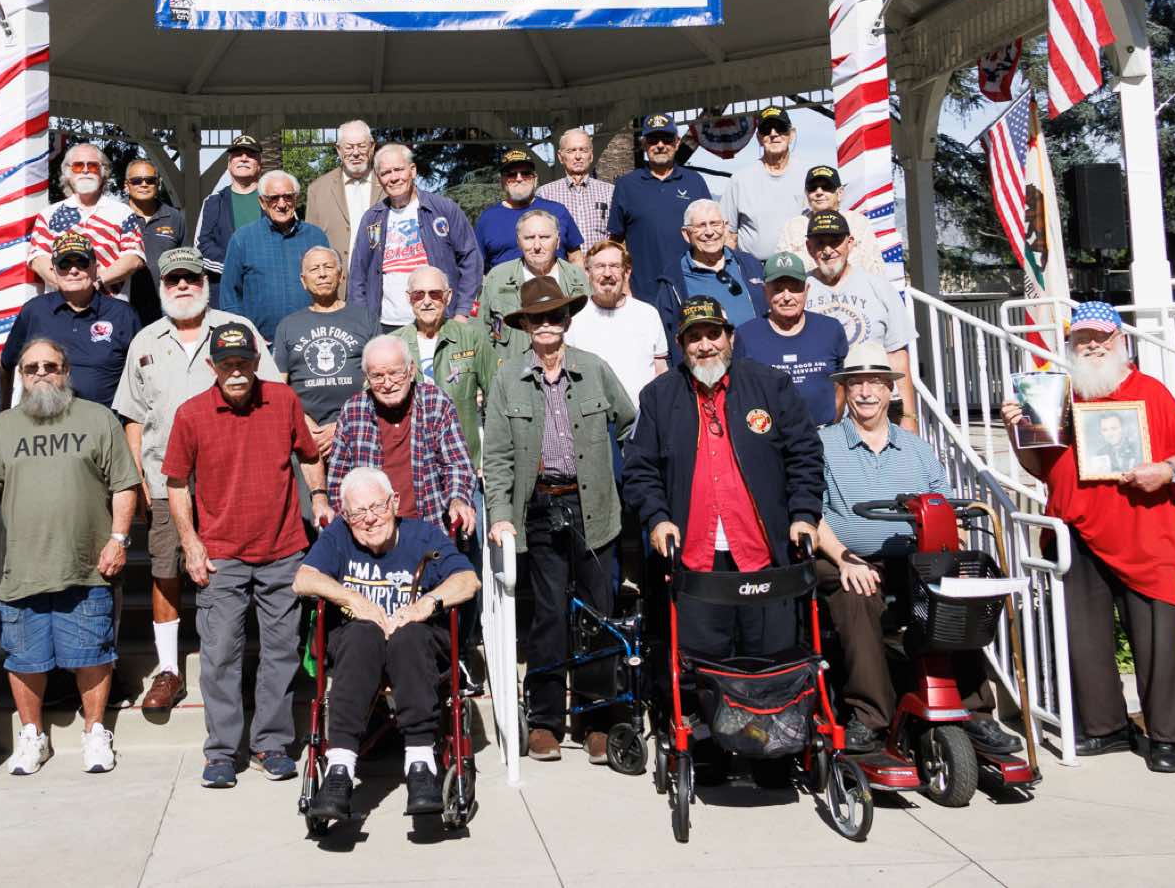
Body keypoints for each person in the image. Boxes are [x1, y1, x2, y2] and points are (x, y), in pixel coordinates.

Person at [1004, 301, 1175, 774]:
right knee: (1085, 640)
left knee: (1157, 639)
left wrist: (1166, 470)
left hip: (1144, 533)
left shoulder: (1151, 392)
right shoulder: (1056, 396)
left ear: (1120, 342)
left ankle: (1165, 736)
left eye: (1101, 338)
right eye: (1082, 340)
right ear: (1070, 346)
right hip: (1076, 531)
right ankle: (1106, 727)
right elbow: (1040, 467)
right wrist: (1017, 431)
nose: (1092, 346)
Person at [809, 343, 1022, 757]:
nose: (866, 392)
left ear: (890, 390)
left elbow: (946, 505)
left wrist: (954, 546)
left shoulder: (916, 448)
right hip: (848, 558)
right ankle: (870, 716)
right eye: (857, 383)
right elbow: (810, 513)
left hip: (914, 558)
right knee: (857, 591)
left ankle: (976, 712)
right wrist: (844, 557)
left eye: (875, 382)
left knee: (957, 591)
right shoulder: (823, 444)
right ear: (845, 390)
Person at [113, 247, 286, 713]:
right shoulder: (145, 341)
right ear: (163, 287)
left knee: (237, 572)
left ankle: (237, 663)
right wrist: (138, 478)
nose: (183, 286)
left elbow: (273, 394)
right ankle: (170, 669)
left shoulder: (237, 329)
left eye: (191, 278)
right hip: (165, 480)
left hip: (231, 481)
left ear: (205, 284)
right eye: (174, 280)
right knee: (165, 570)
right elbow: (133, 418)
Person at [0, 340, 142, 777]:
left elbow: (124, 484)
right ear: (21, 377)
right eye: (31, 368)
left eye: (51, 366)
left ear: (66, 371)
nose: (41, 373)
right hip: (23, 568)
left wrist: (119, 539)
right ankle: (32, 736)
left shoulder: (97, 418)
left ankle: (95, 732)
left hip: (86, 566)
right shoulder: (5, 426)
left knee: (92, 653)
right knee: (24, 659)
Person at [163, 322, 327, 789]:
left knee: (281, 652)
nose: (236, 373)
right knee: (219, 656)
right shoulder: (191, 414)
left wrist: (318, 496)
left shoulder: (283, 400)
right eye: (226, 364)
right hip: (220, 555)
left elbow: (309, 454)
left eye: (243, 363)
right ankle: (221, 752)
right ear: (212, 366)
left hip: (283, 550)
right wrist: (191, 542)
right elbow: (177, 483)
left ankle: (270, 744)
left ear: (257, 363)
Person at [481, 276, 638, 762]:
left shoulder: (594, 368)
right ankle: (545, 720)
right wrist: (500, 514)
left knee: (597, 612)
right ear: (525, 325)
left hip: (596, 509)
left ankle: (596, 719)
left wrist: (630, 483)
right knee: (548, 614)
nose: (546, 324)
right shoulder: (508, 378)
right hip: (541, 508)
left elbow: (630, 424)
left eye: (554, 315)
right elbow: (498, 456)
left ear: (567, 319)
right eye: (537, 318)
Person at [621, 297, 825, 665]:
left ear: (730, 337)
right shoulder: (658, 397)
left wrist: (804, 514)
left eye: (713, 334)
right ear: (680, 345)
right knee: (702, 669)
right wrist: (658, 518)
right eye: (694, 337)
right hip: (694, 559)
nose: (705, 345)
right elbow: (640, 469)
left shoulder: (771, 385)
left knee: (772, 664)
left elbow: (805, 455)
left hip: (765, 554)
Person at [295, 467, 481, 821]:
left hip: (414, 649)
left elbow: (468, 580)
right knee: (363, 632)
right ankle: (339, 770)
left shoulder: (423, 536)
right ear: (345, 516)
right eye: (358, 513)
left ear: (394, 502)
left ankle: (421, 765)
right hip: (357, 650)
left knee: (408, 634)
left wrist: (424, 605)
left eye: (377, 507)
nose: (369, 519)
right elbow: (303, 579)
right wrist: (353, 600)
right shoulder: (338, 537)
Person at [327, 334, 478, 539]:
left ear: (411, 370)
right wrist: (350, 528)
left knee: (441, 557)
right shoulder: (353, 410)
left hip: (429, 529)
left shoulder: (435, 402)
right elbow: (338, 479)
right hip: (371, 533)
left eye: (395, 373)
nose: (388, 383)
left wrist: (457, 500)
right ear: (367, 378)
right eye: (377, 376)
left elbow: (457, 465)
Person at [349, 143, 483, 328]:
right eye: (386, 173)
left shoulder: (443, 209)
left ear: (412, 171)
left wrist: (463, 312)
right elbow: (358, 275)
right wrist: (361, 321)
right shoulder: (372, 219)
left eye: (398, 170)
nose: (393, 178)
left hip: (440, 321)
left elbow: (471, 260)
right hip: (386, 324)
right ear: (378, 179)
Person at [1, 231, 140, 409]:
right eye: (64, 264)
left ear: (95, 268)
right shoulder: (34, 311)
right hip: (44, 421)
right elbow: (6, 364)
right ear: (54, 271)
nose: (73, 270)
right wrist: (4, 411)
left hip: (103, 423)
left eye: (82, 263)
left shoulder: (123, 314)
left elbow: (141, 374)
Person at [803, 211, 915, 426]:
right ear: (809, 247)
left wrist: (909, 419)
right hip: (816, 416)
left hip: (872, 412)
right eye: (820, 243)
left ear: (850, 243)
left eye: (835, 241)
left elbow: (897, 357)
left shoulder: (880, 288)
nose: (828, 250)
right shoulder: (798, 291)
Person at [272, 247, 380, 450]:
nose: (322, 274)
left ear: (340, 275)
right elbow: (277, 388)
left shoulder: (366, 319)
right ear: (303, 280)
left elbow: (380, 380)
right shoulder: (287, 326)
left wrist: (344, 424)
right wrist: (303, 423)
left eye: (328, 267)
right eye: (314, 269)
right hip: (304, 430)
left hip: (359, 426)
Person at [604, 112, 711, 305]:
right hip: (643, 293)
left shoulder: (695, 182)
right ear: (644, 144)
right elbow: (615, 243)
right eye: (653, 140)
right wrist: (624, 284)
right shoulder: (626, 185)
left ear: (677, 142)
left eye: (667, 139)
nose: (660, 145)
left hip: (693, 286)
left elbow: (711, 233)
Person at [734, 251, 847, 428]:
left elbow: (841, 384)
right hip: (770, 437)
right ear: (765, 291)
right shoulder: (746, 335)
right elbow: (739, 392)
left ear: (806, 290)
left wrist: (834, 426)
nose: (787, 297)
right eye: (778, 289)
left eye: (794, 288)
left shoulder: (830, 330)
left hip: (825, 434)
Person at [219, 169, 332, 344]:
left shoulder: (316, 237)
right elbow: (230, 297)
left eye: (288, 197)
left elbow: (330, 287)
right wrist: (246, 336)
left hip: (312, 340)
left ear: (296, 199)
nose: (281, 204)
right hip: (260, 345)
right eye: (274, 198)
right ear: (262, 202)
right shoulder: (243, 239)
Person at [395, 264, 491, 462]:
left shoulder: (472, 338)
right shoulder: (393, 344)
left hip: (463, 458)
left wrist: (490, 457)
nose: (426, 302)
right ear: (408, 298)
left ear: (448, 296)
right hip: (412, 460)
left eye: (435, 294)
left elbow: (497, 397)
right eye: (418, 295)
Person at [655, 198, 766, 365]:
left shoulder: (749, 264)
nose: (709, 232)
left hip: (756, 366)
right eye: (701, 226)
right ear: (686, 234)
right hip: (705, 370)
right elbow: (668, 338)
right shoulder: (673, 281)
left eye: (715, 224)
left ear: (725, 227)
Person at [479, 208, 590, 368]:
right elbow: (480, 334)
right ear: (518, 242)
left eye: (544, 237)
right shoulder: (497, 278)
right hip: (513, 374)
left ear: (558, 241)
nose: (537, 246)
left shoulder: (577, 278)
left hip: (570, 371)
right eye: (529, 238)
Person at [34, 143, 145, 301]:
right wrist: (69, 287)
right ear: (67, 172)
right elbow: (38, 259)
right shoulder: (48, 214)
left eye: (92, 166)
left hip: (109, 307)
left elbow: (134, 258)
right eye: (78, 166)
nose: (85, 170)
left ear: (103, 171)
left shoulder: (123, 213)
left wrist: (96, 282)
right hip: (60, 306)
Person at [565, 240, 668, 410]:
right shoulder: (573, 319)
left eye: (614, 266)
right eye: (600, 266)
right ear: (587, 272)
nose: (607, 273)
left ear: (627, 272)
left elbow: (661, 370)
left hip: (643, 415)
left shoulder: (648, 315)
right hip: (594, 418)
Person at [719, 105, 808, 262]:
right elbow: (728, 234)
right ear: (759, 138)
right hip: (754, 270)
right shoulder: (739, 180)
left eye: (780, 128)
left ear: (792, 134)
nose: (773, 134)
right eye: (766, 129)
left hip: (800, 268)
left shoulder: (809, 176)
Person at [473, 147, 584, 272]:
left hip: (554, 284)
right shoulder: (488, 219)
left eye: (525, 174)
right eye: (511, 174)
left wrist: (580, 283)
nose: (519, 178)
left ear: (535, 179)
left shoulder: (558, 211)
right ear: (502, 181)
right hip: (504, 284)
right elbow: (477, 267)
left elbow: (576, 258)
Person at [774, 165, 887, 276]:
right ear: (807, 194)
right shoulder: (793, 227)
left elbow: (877, 271)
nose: (819, 192)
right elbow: (780, 270)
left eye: (826, 187)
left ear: (840, 193)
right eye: (812, 188)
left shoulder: (858, 223)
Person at [305, 119, 379, 272]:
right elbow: (311, 243)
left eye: (361, 146)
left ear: (372, 147)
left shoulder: (387, 184)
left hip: (381, 278)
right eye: (349, 147)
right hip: (337, 280)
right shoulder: (318, 190)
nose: (355, 153)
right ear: (339, 150)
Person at [122, 157, 188, 326]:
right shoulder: (116, 216)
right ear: (126, 185)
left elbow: (186, 261)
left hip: (165, 305)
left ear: (158, 184)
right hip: (123, 302)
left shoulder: (174, 217)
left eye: (150, 180)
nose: (144, 184)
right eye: (137, 181)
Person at [195, 132, 264, 277]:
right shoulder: (213, 202)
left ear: (259, 165)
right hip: (225, 284)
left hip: (266, 282)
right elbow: (202, 245)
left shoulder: (276, 201)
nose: (244, 158)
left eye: (250, 155)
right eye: (237, 154)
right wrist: (234, 265)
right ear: (229, 164)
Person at [538, 127, 614, 249]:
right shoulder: (545, 194)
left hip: (602, 261)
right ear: (560, 157)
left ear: (591, 155)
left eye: (583, 150)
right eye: (571, 151)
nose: (578, 156)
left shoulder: (610, 192)